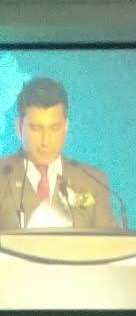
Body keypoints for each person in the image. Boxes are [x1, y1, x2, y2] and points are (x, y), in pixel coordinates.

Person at [0, 77, 121, 230]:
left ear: (66, 127)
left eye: (54, 128)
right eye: (36, 129)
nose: (45, 141)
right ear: (19, 128)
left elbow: (112, 245)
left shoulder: (92, 181)